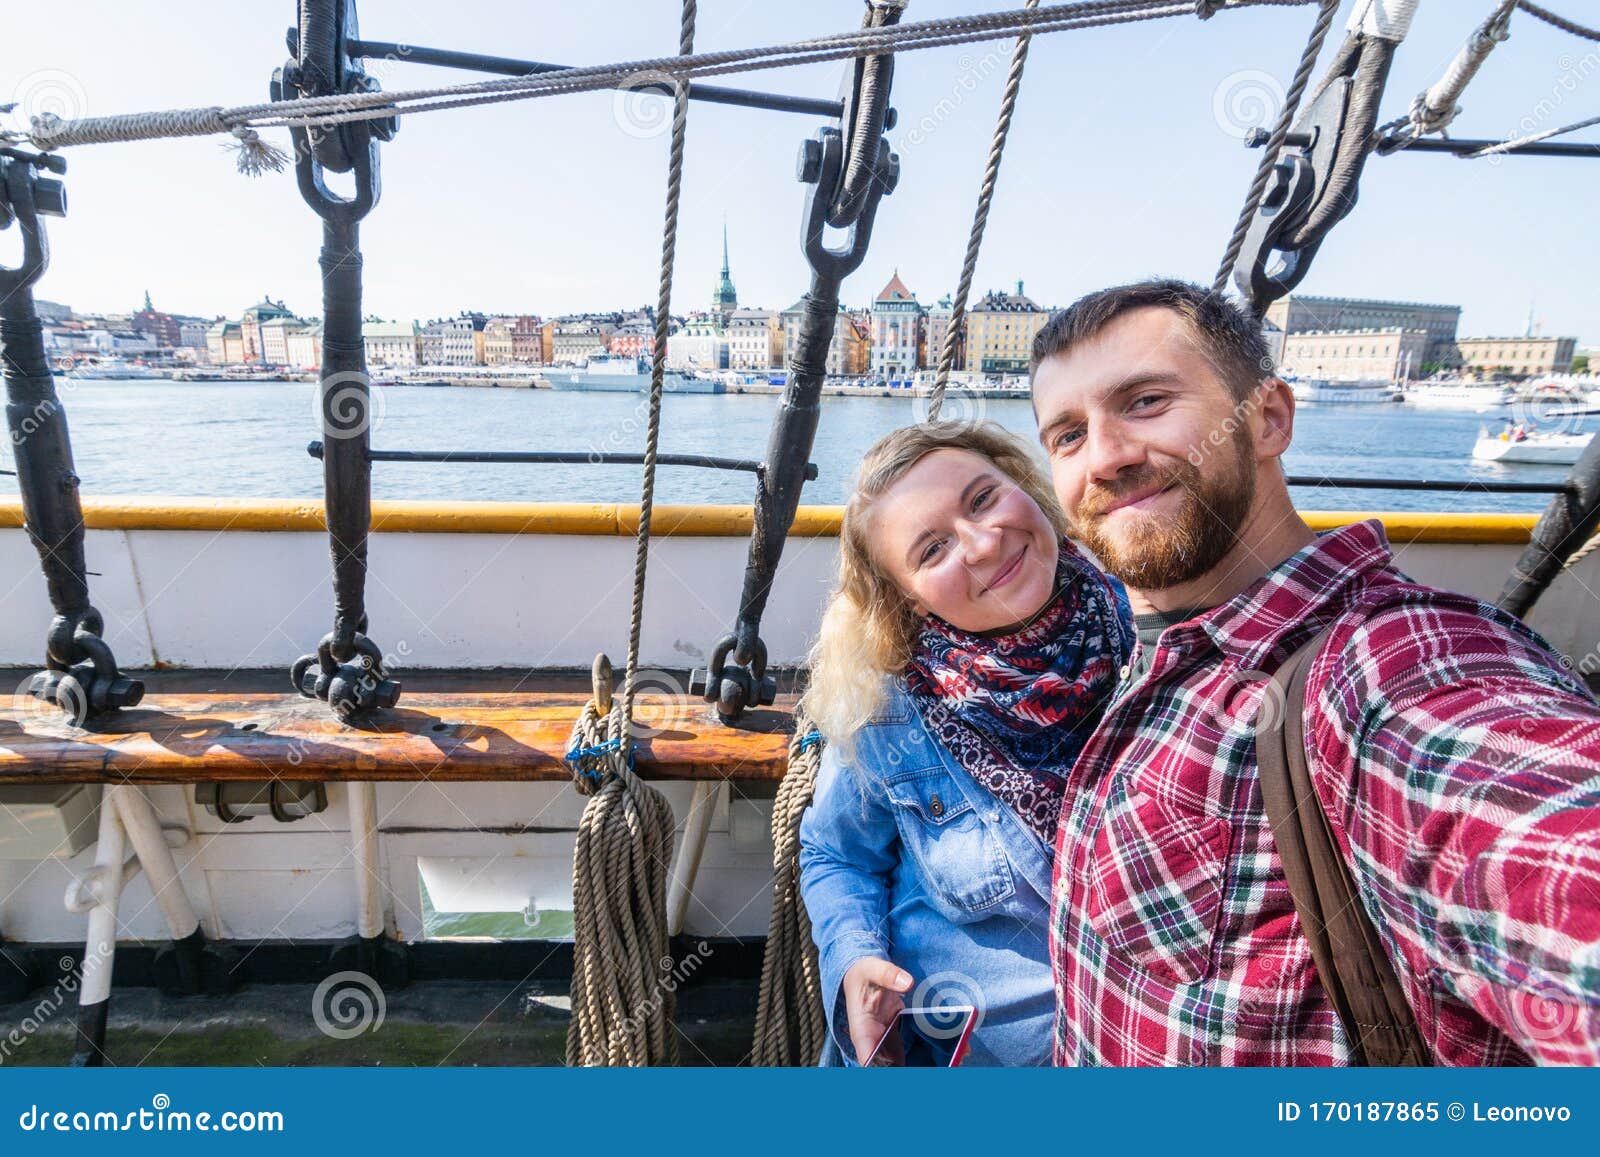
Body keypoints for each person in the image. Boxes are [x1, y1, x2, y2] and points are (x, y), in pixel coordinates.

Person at [1028, 278, 1600, 1066]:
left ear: (1268, 418)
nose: (1105, 456)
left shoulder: (1393, 672)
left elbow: (1535, 833)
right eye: (1067, 436)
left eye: (1147, 402)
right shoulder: (1163, 651)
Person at [797, 420, 1133, 1066]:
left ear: (1026, 486)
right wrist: (855, 958)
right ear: (911, 600)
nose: (983, 544)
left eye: (983, 499)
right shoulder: (888, 704)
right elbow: (837, 854)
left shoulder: (1157, 634)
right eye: (932, 550)